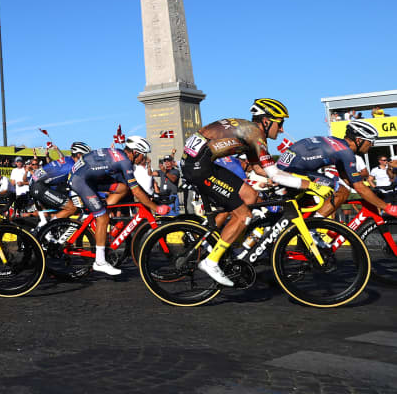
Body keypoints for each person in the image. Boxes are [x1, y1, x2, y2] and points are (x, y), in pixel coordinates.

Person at [181, 98, 306, 287]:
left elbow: (258, 168)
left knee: (250, 196)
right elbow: (272, 172)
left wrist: (286, 177)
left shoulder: (249, 131)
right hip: (199, 167)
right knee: (244, 215)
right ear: (266, 121)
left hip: (201, 162)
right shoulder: (255, 134)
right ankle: (211, 261)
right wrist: (306, 183)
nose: (281, 129)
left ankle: (236, 250)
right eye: (280, 124)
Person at [68, 137, 168, 276]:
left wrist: (151, 198)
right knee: (103, 218)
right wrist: (155, 208)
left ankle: (101, 208)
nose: (143, 160)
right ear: (136, 152)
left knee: (122, 188)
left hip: (87, 177)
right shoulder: (124, 161)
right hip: (81, 181)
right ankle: (100, 261)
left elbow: (131, 186)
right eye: (143, 156)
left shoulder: (120, 156)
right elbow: (136, 191)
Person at [277, 120, 396, 219]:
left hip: (287, 169)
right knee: (342, 191)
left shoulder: (338, 145)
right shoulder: (346, 152)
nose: (372, 145)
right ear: (359, 140)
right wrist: (388, 207)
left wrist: (372, 192)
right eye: (371, 141)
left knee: (308, 204)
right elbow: (359, 187)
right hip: (291, 171)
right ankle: (313, 229)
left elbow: (349, 180)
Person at [27, 141, 91, 222]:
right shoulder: (72, 166)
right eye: (85, 156)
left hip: (38, 184)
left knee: (65, 206)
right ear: (79, 155)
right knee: (72, 208)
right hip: (39, 186)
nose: (87, 159)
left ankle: (50, 226)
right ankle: (49, 229)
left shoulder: (68, 159)